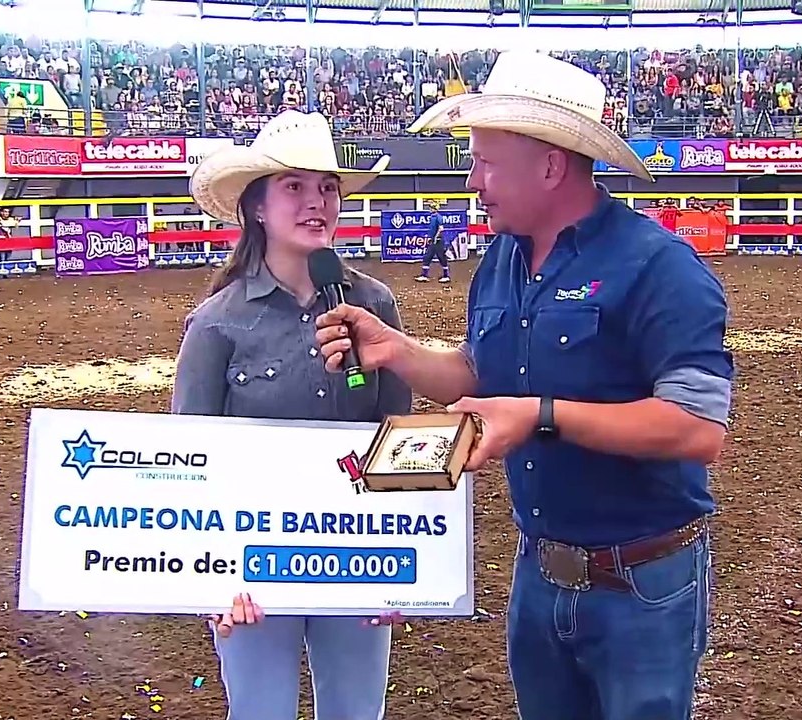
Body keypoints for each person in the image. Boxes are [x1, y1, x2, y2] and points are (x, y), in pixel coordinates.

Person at [314, 50, 733, 720]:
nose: (472, 180)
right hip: (539, 575)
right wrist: (397, 351)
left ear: (550, 166)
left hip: (642, 585)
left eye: (486, 162)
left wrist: (541, 415)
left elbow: (697, 428)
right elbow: (481, 375)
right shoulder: (502, 260)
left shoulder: (660, 266)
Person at [172, 109, 411, 720]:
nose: (316, 201)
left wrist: (406, 567)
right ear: (257, 206)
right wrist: (210, 578)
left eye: (327, 187)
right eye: (294, 186)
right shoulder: (216, 323)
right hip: (249, 564)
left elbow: (397, 441)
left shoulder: (375, 305)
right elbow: (189, 458)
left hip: (360, 556)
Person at [415, 198, 450, 283]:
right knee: (427, 257)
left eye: (431, 208)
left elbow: (441, 228)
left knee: (441, 257)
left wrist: (436, 237)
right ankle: (424, 275)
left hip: (438, 241)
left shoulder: (438, 217)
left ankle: (446, 276)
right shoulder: (432, 217)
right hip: (433, 241)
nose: (430, 209)